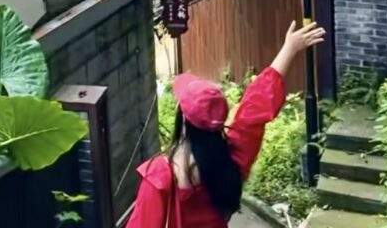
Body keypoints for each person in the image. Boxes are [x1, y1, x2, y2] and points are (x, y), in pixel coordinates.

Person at [127, 20, 326, 228]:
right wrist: (290, 49)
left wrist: (289, 47)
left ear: (184, 119)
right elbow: (257, 106)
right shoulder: (234, 157)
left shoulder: (160, 176)